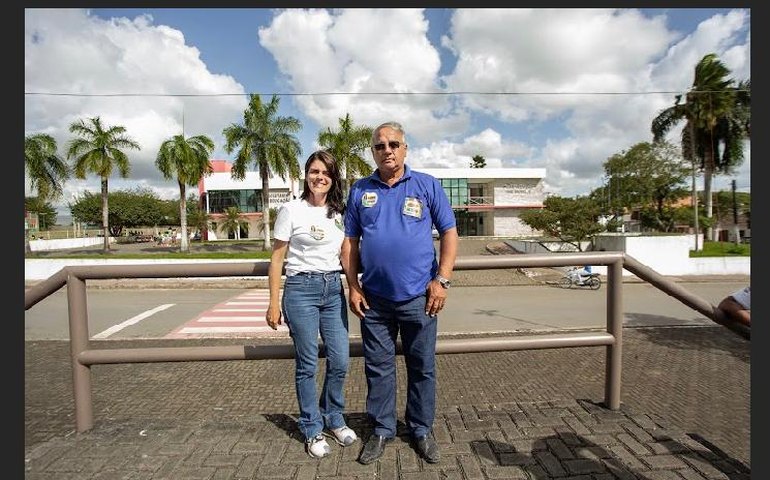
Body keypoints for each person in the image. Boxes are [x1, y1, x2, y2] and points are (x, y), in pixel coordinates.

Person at [342, 121, 459, 465]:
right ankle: (381, 430)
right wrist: (353, 285)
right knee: (378, 369)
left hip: (420, 298)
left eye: (394, 144)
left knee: (422, 366)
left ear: (405, 148)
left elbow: (449, 233)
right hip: (374, 300)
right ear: (373, 152)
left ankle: (421, 429)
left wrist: (442, 280)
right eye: (380, 146)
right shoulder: (360, 190)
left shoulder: (426, 185)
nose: (387, 150)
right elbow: (350, 242)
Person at [266, 150, 358, 459]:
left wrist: (354, 286)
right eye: (314, 171)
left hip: (333, 289)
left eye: (325, 173)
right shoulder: (292, 210)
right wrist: (273, 302)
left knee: (340, 360)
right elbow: (277, 258)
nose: (319, 177)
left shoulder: (338, 212)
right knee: (307, 364)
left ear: (333, 179)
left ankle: (333, 417)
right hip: (300, 290)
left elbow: (346, 254)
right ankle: (311, 427)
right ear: (306, 174)